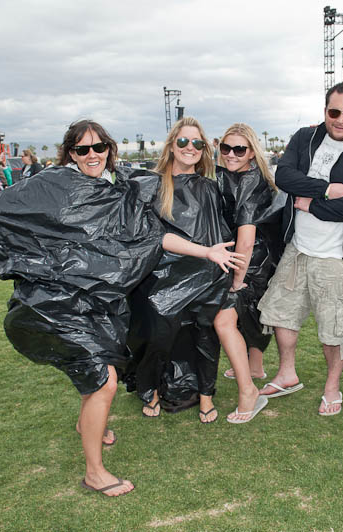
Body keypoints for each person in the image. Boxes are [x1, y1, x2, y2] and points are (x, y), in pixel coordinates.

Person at [0, 119, 241, 498]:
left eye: (98, 148)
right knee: (104, 382)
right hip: (58, 301)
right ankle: (95, 473)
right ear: (70, 152)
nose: (92, 156)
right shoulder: (51, 184)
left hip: (101, 303)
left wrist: (206, 250)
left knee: (99, 374)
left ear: (109, 149)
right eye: (82, 149)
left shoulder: (121, 190)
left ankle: (92, 423)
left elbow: (155, 236)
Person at [257, 82, 343, 415]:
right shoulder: (305, 137)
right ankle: (287, 373)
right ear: (325, 110)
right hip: (299, 248)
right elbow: (285, 176)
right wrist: (327, 190)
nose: (340, 120)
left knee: (334, 326)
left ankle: (332, 386)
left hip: (339, 257)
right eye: (334, 112)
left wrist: (311, 206)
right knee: (281, 311)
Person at [125, 116, 235, 423]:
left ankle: (206, 397)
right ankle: (152, 392)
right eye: (183, 141)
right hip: (163, 278)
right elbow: (155, 237)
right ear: (172, 145)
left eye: (197, 143)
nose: (190, 148)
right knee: (159, 336)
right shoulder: (151, 185)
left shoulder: (210, 188)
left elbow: (222, 229)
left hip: (208, 274)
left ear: (203, 150)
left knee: (206, 337)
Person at [214, 123, 284, 423]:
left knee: (226, 319)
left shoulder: (250, 182)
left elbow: (246, 237)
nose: (231, 154)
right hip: (253, 258)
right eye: (226, 148)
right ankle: (254, 368)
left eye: (239, 149)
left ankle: (249, 391)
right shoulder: (236, 176)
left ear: (251, 152)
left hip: (251, 261)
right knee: (251, 317)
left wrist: (237, 282)